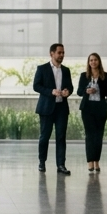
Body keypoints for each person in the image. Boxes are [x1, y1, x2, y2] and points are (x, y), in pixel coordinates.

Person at [33, 42, 73, 175]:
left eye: (63, 53)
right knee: (44, 136)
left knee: (61, 137)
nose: (62, 55)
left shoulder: (66, 70)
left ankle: (61, 165)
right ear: (52, 53)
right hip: (46, 108)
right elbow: (36, 86)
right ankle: (42, 162)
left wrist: (67, 91)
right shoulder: (42, 69)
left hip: (61, 108)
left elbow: (70, 87)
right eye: (59, 53)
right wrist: (51, 91)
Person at [77, 52, 107, 173]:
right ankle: (90, 161)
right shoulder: (84, 76)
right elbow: (79, 92)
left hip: (100, 108)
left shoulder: (105, 76)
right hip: (87, 108)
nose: (93, 62)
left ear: (99, 61)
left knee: (98, 136)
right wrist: (86, 91)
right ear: (88, 62)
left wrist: (106, 104)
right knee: (89, 135)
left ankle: (96, 161)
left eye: (95, 60)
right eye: (91, 60)